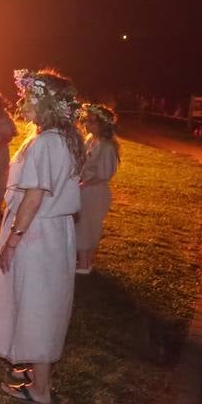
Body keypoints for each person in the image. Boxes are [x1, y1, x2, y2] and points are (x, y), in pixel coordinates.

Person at [0, 69, 84, 404]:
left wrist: (13, 241)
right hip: (52, 231)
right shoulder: (61, 137)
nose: (21, 102)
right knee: (39, 299)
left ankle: (41, 389)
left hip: (37, 232)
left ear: (46, 103)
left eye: (28, 97)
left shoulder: (47, 142)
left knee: (39, 303)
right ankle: (34, 367)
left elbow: (34, 196)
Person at [75, 103, 121, 275]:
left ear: (102, 124)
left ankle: (85, 264)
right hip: (85, 188)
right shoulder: (90, 140)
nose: (87, 124)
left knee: (88, 225)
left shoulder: (106, 146)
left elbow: (104, 174)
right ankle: (82, 259)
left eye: (92, 121)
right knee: (81, 223)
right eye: (86, 120)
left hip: (94, 191)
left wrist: (84, 184)